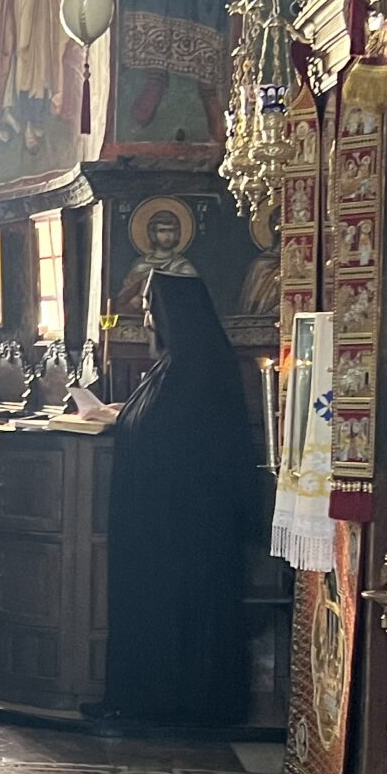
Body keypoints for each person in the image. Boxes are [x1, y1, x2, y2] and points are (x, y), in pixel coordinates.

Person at [101, 271, 256, 725]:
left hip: (189, 526)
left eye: (152, 310)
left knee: (183, 612)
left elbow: (186, 441)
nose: (147, 320)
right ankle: (142, 698)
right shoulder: (173, 364)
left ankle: (180, 704)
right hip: (161, 520)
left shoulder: (201, 367)